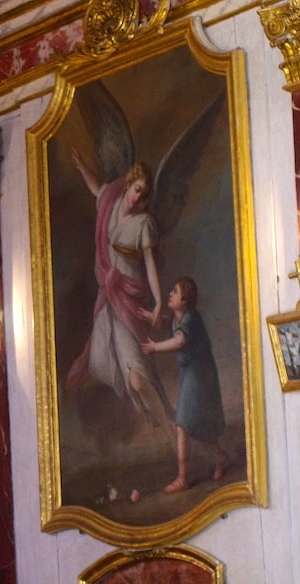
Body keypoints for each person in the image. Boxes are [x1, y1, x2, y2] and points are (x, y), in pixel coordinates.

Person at [66, 149, 174, 430]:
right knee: (129, 378)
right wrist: (82, 167)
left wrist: (159, 302)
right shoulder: (111, 203)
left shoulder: (143, 223)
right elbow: (97, 189)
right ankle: (162, 423)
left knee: (138, 377)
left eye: (143, 194)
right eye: (136, 189)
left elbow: (150, 265)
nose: (137, 197)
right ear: (129, 184)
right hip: (110, 299)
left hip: (131, 299)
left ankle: (168, 425)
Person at [141, 277, 228, 493]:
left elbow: (179, 341)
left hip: (200, 374)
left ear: (185, 300)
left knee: (183, 423)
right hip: (191, 373)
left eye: (174, 291)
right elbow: (166, 323)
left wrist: (155, 347)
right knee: (194, 424)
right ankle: (221, 456)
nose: (169, 294)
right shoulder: (178, 316)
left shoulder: (191, 318)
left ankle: (182, 478)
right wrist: (151, 317)